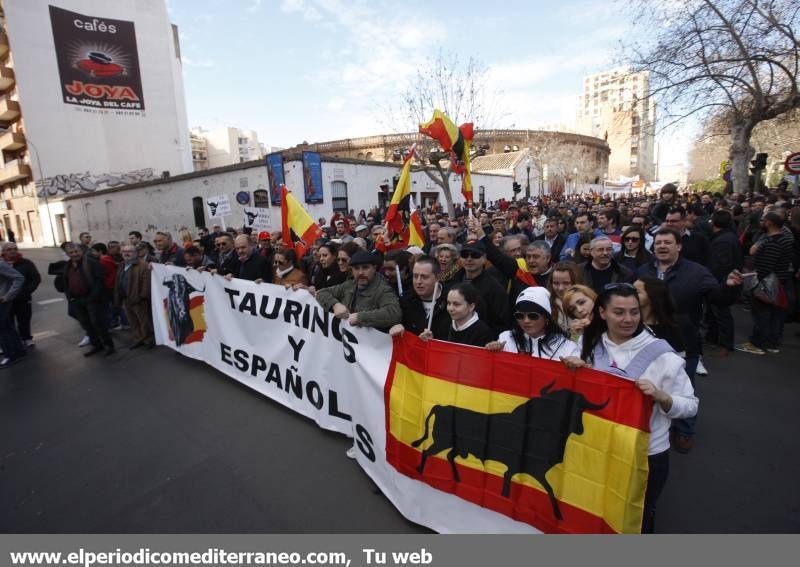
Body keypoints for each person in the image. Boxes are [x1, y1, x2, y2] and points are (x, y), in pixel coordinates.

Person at [561, 283, 698, 533]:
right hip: (597, 446)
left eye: (634, 312)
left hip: (645, 454)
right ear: (602, 313)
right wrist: (572, 375)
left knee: (638, 515)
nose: (628, 319)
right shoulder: (586, 346)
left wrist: (662, 397)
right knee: (595, 508)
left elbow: (690, 407)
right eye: (619, 312)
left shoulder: (664, 355)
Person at [637, 227, 742, 453]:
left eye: (667, 242)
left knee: (685, 386)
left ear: (679, 246)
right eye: (658, 243)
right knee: (648, 383)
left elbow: (717, 297)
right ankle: (645, 425)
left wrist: (731, 288)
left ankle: (684, 431)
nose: (662, 246)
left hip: (683, 341)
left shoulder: (696, 272)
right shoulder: (643, 270)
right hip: (645, 340)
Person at [736, 211, 794, 355]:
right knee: (774, 315)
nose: (760, 222)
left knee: (762, 314)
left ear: (769, 223)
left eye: (763, 220)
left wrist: (756, 281)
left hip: (767, 283)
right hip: (778, 281)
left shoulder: (773, 242)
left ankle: (757, 343)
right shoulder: (784, 238)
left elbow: (766, 266)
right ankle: (771, 343)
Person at [315, 250, 401, 331]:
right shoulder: (349, 285)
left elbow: (394, 313)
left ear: (374, 268)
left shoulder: (383, 289)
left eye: (365, 268)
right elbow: (321, 293)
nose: (360, 272)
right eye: (356, 268)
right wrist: (335, 305)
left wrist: (360, 317)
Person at [487, 287, 579, 359]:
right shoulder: (506, 338)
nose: (526, 321)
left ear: (547, 317)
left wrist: (576, 364)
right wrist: (490, 352)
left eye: (533, 316)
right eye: (519, 316)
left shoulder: (567, 346)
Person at [63, 243, 115, 357]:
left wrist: (92, 297)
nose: (74, 254)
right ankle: (96, 345)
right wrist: (69, 297)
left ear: (81, 251)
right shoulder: (68, 265)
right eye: (71, 252)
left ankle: (108, 345)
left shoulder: (91, 262)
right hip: (77, 300)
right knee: (86, 324)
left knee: (98, 323)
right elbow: (66, 282)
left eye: (76, 251)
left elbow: (99, 280)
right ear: (67, 254)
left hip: (92, 299)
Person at [449, 241, 510, 337]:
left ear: (484, 258)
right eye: (465, 255)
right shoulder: (452, 281)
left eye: (475, 255)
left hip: (481, 343)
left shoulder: (495, 288)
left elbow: (501, 323)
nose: (469, 259)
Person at [389, 255, 450, 340]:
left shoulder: (451, 301)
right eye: (415, 276)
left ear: (437, 277)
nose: (418, 281)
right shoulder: (405, 301)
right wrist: (394, 327)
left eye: (424, 277)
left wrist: (435, 342)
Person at [1, 242, 41, 347]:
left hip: (22, 298)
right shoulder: (1, 264)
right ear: (3, 252)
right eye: (9, 249)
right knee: (7, 321)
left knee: (24, 319)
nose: (13, 251)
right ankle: (12, 342)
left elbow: (35, 278)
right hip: (5, 299)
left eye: (15, 248)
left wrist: (26, 291)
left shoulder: (26, 263)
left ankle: (27, 338)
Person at [114, 244, 154, 349]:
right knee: (132, 321)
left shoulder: (143, 265)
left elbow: (146, 283)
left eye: (129, 251)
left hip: (138, 300)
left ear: (135, 253)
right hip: (126, 299)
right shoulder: (122, 265)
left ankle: (148, 340)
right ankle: (138, 339)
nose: (126, 253)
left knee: (143, 321)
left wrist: (142, 296)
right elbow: (119, 280)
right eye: (124, 251)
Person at [633, 277, 684, 351]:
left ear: (652, 295)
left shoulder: (670, 329)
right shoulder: (628, 324)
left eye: (637, 292)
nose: (630, 294)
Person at [441, 282, 496, 347]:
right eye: (449, 303)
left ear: (471, 307)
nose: (451, 308)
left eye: (456, 304)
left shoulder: (483, 332)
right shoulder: (445, 325)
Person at [0, 258, 25, 368]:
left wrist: (8, 296)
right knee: (8, 327)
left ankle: (10, 355)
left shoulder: (0, 264)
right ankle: (18, 352)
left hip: (2, 301)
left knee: (3, 329)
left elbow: (19, 278)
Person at [547, 261, 583, 333]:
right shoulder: (546, 304)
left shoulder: (588, 305)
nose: (560, 288)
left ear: (576, 282)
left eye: (566, 283)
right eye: (556, 283)